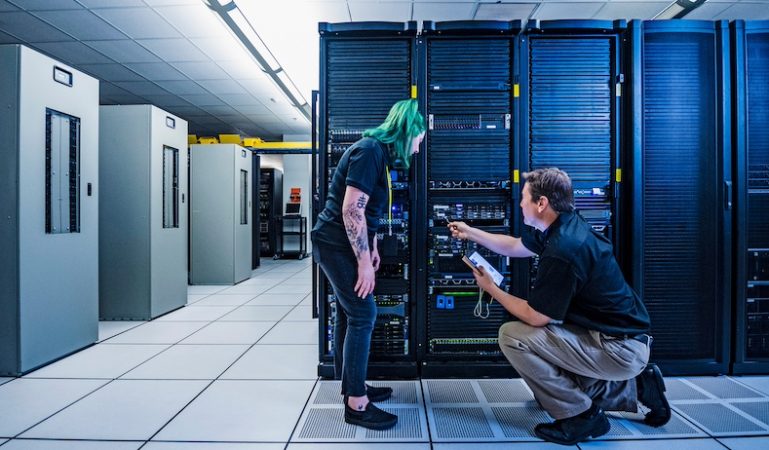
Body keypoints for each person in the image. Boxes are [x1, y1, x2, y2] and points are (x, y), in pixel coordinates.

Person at [448, 168, 671, 445]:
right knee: (546, 351)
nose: (519, 204)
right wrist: (471, 233)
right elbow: (516, 246)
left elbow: (536, 316)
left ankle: (583, 417)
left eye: (524, 198)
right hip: (614, 338)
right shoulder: (563, 225)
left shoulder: (563, 250)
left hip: (618, 348)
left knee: (514, 336)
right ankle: (636, 387)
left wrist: (492, 289)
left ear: (541, 203)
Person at [312, 99, 425, 430]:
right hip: (336, 245)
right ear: (407, 131)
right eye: (419, 138)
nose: (418, 147)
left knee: (351, 314)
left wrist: (372, 245)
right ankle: (357, 405)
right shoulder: (370, 151)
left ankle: (352, 387)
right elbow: (351, 210)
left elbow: (368, 211)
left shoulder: (379, 155)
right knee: (363, 314)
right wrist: (362, 262)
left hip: (341, 244)